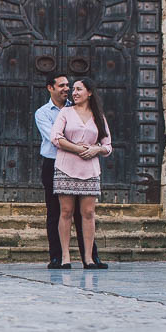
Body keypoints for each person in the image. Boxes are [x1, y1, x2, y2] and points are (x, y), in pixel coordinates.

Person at [34, 73, 98, 270]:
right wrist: (80, 146)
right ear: (50, 88)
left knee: (84, 212)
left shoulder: (78, 108)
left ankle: (90, 257)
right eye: (61, 85)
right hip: (53, 163)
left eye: (68, 86)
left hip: (81, 163)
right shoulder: (43, 113)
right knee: (57, 212)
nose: (66, 89)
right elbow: (55, 137)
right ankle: (57, 257)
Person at [49, 78, 111, 269]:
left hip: (90, 169)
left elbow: (108, 146)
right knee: (66, 212)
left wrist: (96, 150)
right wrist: (77, 149)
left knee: (88, 213)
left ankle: (89, 258)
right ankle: (66, 256)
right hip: (66, 167)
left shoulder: (98, 116)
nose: (74, 93)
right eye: (73, 89)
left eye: (78, 89)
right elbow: (56, 137)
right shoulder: (65, 113)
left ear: (89, 93)